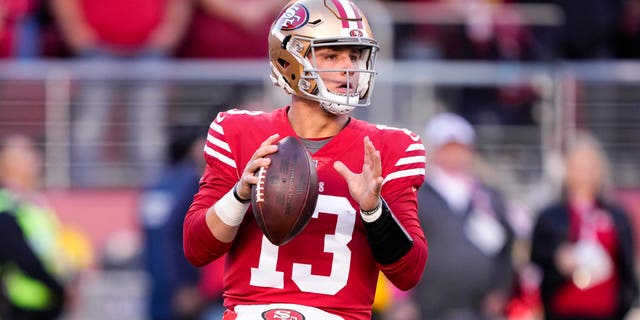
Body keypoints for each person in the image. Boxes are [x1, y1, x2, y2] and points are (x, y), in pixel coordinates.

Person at [182, 0, 428, 319]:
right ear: (290, 59)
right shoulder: (238, 131)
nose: (349, 68)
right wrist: (241, 193)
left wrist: (373, 211)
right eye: (331, 55)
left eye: (355, 55)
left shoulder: (390, 147)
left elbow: (409, 274)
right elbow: (197, 249)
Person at [49, 0, 192, 186]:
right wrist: (75, 29)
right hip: (96, 51)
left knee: (148, 131)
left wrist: (171, 29)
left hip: (149, 52)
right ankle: (81, 193)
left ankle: (153, 198)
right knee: (89, 128)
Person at [411, 112, 516, 320]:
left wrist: (500, 289)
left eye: (460, 148)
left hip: (479, 308)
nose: (454, 155)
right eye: (448, 148)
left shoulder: (487, 196)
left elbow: (507, 245)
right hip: (429, 307)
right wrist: (404, 299)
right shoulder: (416, 195)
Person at [530, 133, 639, 320]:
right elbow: (536, 261)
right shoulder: (550, 216)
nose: (583, 174)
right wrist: (559, 260)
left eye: (588, 166)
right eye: (577, 166)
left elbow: (626, 265)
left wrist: (626, 302)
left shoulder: (617, 216)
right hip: (562, 309)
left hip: (606, 311)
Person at [140, 127, 211, 320]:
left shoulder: (157, 183)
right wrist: (186, 284)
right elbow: (176, 235)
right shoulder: (191, 183)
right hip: (184, 289)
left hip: (156, 285)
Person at [0, 134, 66, 319]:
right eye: (26, 153)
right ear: (7, 164)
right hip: (20, 307)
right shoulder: (5, 205)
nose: (36, 158)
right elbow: (21, 257)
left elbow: (49, 250)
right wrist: (59, 289)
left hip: (46, 304)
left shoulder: (35, 204)